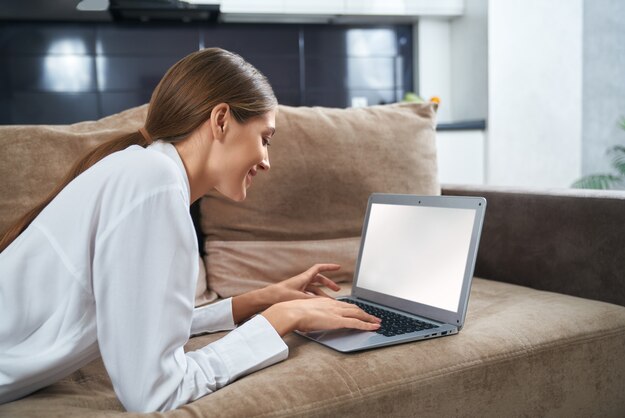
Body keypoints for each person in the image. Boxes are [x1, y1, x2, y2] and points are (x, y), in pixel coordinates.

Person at [0, 48, 381, 412]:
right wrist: (283, 319)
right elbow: (155, 393)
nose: (266, 161)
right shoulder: (154, 184)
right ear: (221, 120)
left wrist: (257, 300)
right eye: (265, 138)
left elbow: (137, 320)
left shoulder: (141, 171)